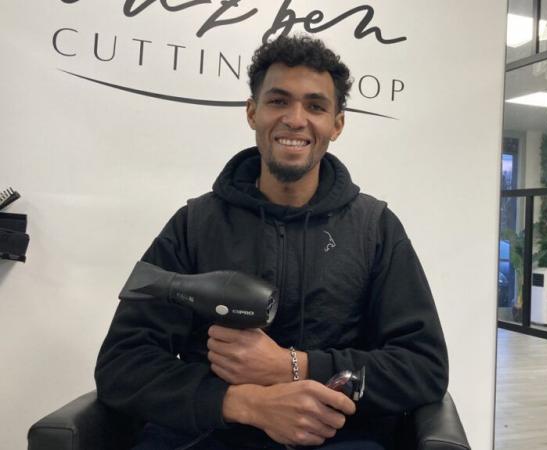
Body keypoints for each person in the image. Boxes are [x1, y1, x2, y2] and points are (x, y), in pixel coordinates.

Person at [95, 35, 448, 450]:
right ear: (252, 112)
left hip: (337, 438)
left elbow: (423, 367)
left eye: (315, 106)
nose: (295, 119)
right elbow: (122, 364)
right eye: (278, 101)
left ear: (337, 124)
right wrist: (243, 403)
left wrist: (294, 367)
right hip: (208, 434)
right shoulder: (195, 224)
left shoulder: (376, 229)